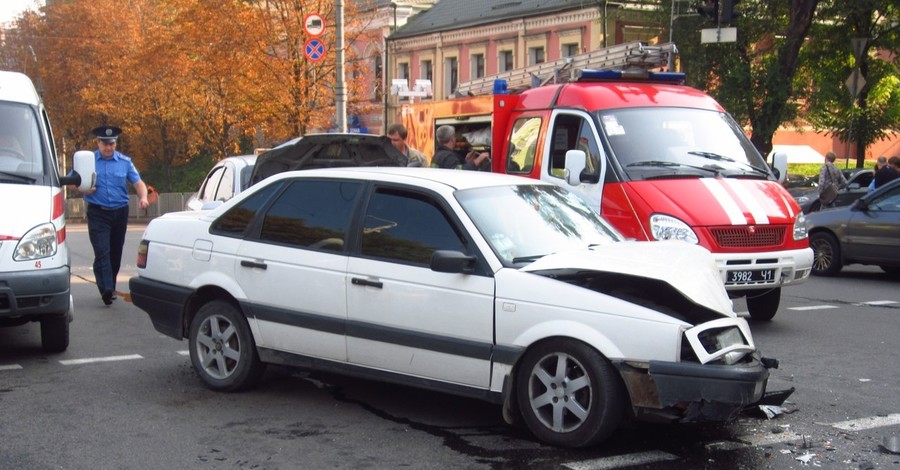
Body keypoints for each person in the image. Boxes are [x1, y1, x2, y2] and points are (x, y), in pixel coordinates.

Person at [81, 125, 150, 305]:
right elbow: (74, 180)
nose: (108, 147)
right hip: (98, 212)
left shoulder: (125, 162)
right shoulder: (89, 161)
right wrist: (83, 189)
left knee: (115, 253)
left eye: (111, 144)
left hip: (120, 213)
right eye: (104, 144)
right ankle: (107, 289)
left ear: (115, 143)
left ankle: (108, 284)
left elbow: (138, 182)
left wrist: (143, 197)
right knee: (102, 251)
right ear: (98, 143)